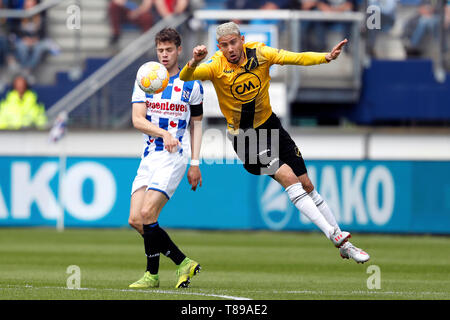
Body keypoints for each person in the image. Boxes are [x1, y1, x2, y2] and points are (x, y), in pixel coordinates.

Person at [180, 21, 370, 264]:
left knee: (307, 184)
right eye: (225, 45)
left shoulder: (260, 53)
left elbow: (296, 58)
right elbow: (186, 77)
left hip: (272, 127)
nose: (230, 49)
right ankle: (335, 236)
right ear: (219, 47)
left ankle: (346, 246)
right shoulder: (216, 66)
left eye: (234, 42)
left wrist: (326, 57)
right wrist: (194, 60)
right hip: (245, 138)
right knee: (288, 177)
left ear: (242, 39)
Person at [128, 27, 204, 289]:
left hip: (174, 156)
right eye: (160, 50)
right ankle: (183, 262)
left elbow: (197, 124)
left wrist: (195, 163)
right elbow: (137, 120)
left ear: (178, 50)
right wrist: (162, 133)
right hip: (149, 156)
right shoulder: (145, 79)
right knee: (136, 220)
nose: (164, 55)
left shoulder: (191, 84)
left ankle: (152, 275)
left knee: (148, 212)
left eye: (169, 50)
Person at [14, 0, 49, 80]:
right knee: (21, 47)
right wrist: (25, 38)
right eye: (28, 5)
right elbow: (14, 29)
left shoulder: (41, 16)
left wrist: (35, 39)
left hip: (37, 40)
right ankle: (26, 71)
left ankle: (27, 70)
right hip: (24, 40)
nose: (30, 7)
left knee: (39, 48)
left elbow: (43, 32)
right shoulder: (19, 15)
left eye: (32, 5)